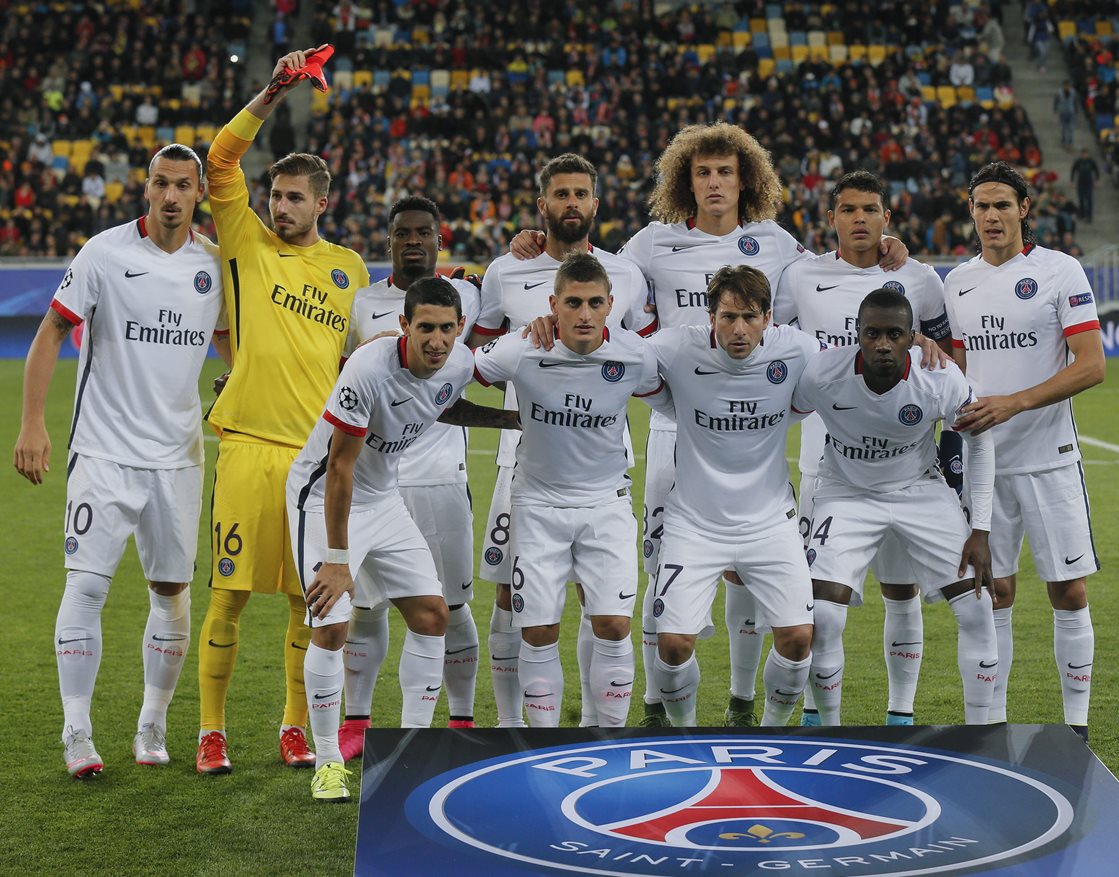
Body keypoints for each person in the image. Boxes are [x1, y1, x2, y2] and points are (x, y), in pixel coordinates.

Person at [513, 123, 907, 728]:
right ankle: (649, 702)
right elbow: (595, 278)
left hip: (753, 424)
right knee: (651, 567)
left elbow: (826, 294)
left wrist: (885, 251)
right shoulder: (652, 244)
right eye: (703, 172)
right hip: (680, 424)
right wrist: (536, 249)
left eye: (725, 171)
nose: (715, 183)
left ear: (745, 178)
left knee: (748, 579)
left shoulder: (777, 245)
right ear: (684, 180)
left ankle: (744, 700)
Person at [13, 144, 228, 777]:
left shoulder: (215, 265)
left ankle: (152, 723)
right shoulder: (104, 253)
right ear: (145, 188)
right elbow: (52, 330)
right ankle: (76, 731)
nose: (170, 196)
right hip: (103, 452)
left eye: (182, 186)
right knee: (86, 584)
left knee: (171, 590)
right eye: (160, 183)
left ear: (199, 195)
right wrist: (33, 422)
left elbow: (229, 347)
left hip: (178, 458)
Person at [196, 46, 370, 775]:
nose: (281, 204)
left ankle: (293, 726)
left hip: (311, 462)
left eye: (296, 196)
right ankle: (212, 730)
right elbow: (219, 160)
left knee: (307, 603)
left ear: (322, 202)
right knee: (231, 594)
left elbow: (361, 365)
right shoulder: (245, 240)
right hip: (246, 445)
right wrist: (271, 91)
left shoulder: (350, 270)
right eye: (276, 192)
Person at [286, 276, 518, 803]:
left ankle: (412, 748)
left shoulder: (457, 362)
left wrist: (511, 420)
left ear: (460, 328)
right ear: (403, 326)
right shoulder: (367, 369)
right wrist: (339, 562)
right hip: (322, 496)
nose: (436, 341)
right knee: (331, 626)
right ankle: (327, 763)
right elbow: (340, 468)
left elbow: (439, 403)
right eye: (425, 329)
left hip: (383, 497)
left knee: (433, 615)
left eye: (445, 329)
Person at [467, 153, 654, 728]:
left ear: (595, 204)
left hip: (601, 470)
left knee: (600, 609)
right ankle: (512, 724)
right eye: (561, 195)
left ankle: (598, 728)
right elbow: (473, 355)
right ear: (543, 202)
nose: (571, 204)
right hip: (520, 466)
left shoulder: (625, 273)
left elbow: (654, 359)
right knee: (516, 603)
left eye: (581, 194)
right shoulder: (506, 271)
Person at [774, 170, 954, 727]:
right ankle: (814, 712)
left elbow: (946, 362)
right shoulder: (802, 275)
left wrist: (924, 342)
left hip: (904, 462)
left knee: (900, 591)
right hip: (824, 463)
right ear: (831, 218)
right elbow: (772, 339)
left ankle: (900, 714)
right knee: (820, 600)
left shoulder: (920, 279)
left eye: (870, 209)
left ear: (886, 217)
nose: (860, 220)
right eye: (848, 210)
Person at [946, 161, 1105, 741]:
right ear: (971, 213)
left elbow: (1092, 366)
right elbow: (959, 369)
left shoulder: (1060, 272)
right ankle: (991, 728)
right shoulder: (957, 281)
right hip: (984, 464)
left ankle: (1076, 728)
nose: (992, 216)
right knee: (993, 591)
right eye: (982, 206)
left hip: (1050, 458)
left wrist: (1014, 402)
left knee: (1068, 589)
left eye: (1002, 206)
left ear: (1024, 209)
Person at [793, 289, 999, 725]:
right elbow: (774, 419)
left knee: (979, 607)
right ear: (858, 334)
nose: (882, 344)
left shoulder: (940, 377)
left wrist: (979, 528)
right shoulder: (822, 374)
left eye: (893, 334)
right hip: (844, 491)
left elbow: (979, 443)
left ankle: (982, 737)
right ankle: (826, 732)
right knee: (823, 617)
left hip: (919, 490)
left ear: (912, 337)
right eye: (872, 334)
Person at [335, 196, 482, 759]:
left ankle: (461, 720)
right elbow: (340, 379)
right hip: (377, 483)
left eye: (425, 232)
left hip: (443, 477)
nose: (414, 241)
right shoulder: (364, 302)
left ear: (440, 240)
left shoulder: (466, 293)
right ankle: (358, 722)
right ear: (390, 238)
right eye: (404, 233)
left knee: (453, 605)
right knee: (367, 608)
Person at [647, 265, 823, 728]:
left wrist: (921, 342)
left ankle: (769, 734)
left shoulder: (799, 350)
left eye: (749, 317)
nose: (738, 330)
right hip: (693, 523)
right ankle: (686, 738)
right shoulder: (675, 348)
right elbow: (612, 353)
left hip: (770, 522)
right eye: (727, 317)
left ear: (769, 318)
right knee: (673, 646)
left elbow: (855, 364)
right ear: (710, 317)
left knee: (799, 637)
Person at [1070, 149, 1100, 223]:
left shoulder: (1091, 161)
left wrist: (1097, 180)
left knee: (1089, 200)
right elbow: (1073, 170)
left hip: (1089, 183)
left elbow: (1096, 170)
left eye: (1086, 154)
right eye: (1083, 154)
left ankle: (1089, 216)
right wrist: (1071, 180)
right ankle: (1082, 213)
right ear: (1081, 154)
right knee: (1081, 199)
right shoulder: (1078, 161)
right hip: (1080, 183)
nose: (1085, 155)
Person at [1053, 82, 1078, 149]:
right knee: (1063, 127)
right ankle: (1063, 141)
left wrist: (1076, 110)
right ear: (1063, 86)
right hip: (1063, 112)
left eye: (1067, 86)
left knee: (1071, 128)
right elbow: (1056, 101)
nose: (1066, 87)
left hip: (1071, 112)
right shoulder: (1059, 93)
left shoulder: (1073, 93)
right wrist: (1055, 109)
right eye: (1065, 86)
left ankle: (1070, 142)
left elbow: (1075, 102)